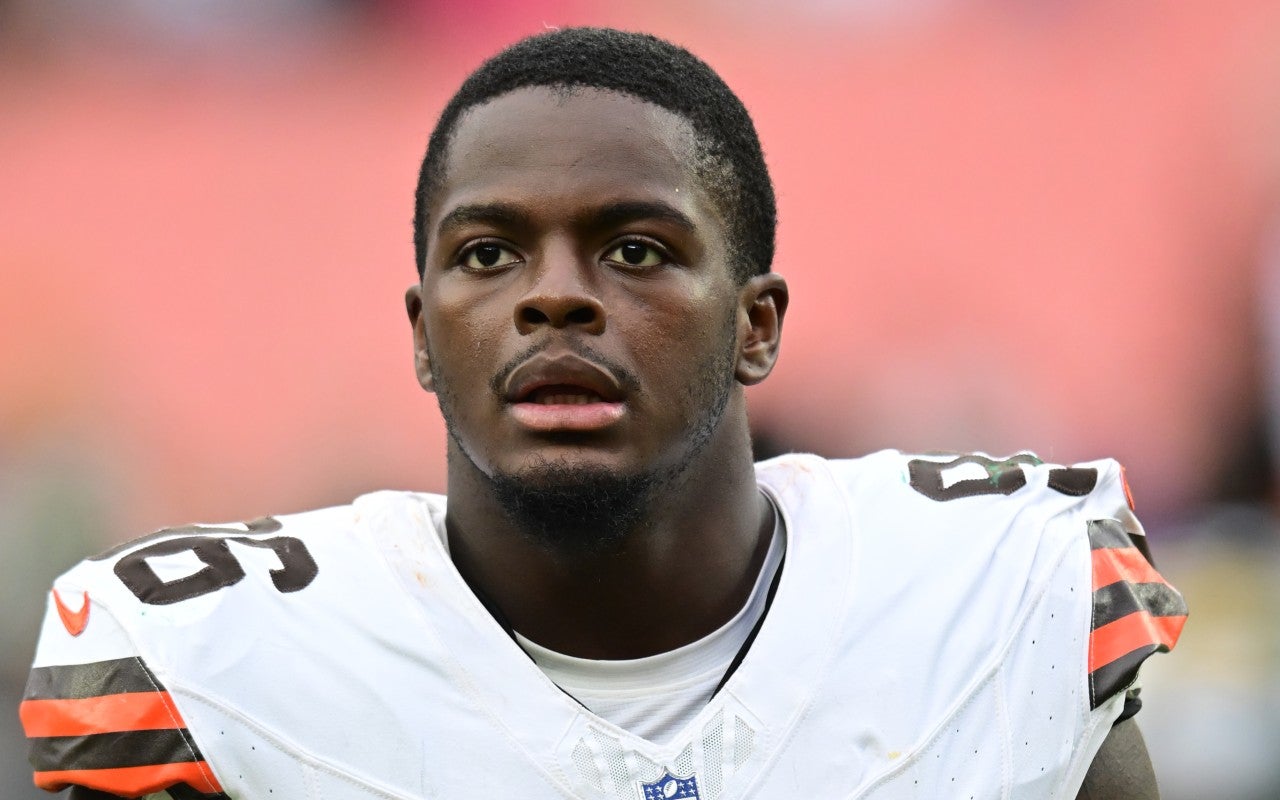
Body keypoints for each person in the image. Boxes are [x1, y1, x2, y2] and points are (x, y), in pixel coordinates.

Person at [19, 27, 1186, 800]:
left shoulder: (988, 599)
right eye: (488, 253)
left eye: (633, 248)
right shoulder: (221, 665)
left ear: (754, 324)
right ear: (422, 335)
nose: (554, 297)